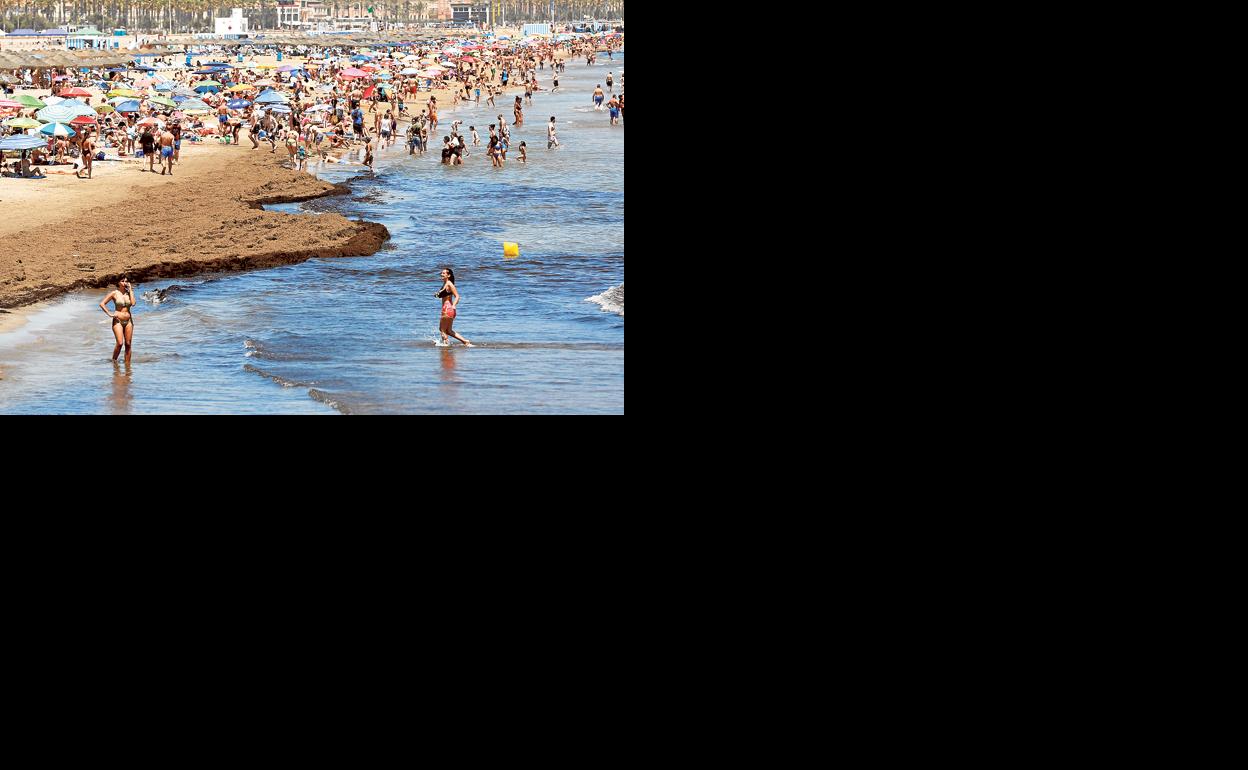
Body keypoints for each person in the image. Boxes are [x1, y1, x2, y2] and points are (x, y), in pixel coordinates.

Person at [99, 278, 136, 364]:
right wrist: (109, 314)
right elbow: (102, 304)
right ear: (118, 283)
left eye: (126, 281)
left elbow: (133, 303)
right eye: (122, 281)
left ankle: (128, 366)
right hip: (118, 320)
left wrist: (130, 290)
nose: (124, 283)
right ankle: (114, 362)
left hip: (129, 321)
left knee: (128, 344)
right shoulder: (114, 293)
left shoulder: (129, 293)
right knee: (119, 343)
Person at [436, 268, 472, 347]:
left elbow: (457, 296)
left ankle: (445, 347)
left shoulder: (449, 284)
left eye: (444, 273)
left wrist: (454, 305)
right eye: (441, 273)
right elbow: (444, 295)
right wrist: (437, 294)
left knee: (442, 330)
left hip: (447, 308)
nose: (441, 274)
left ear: (448, 275)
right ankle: (465, 342)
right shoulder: (445, 284)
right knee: (448, 331)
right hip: (449, 309)